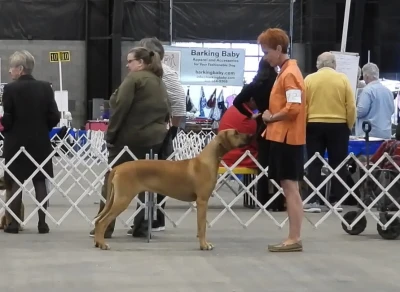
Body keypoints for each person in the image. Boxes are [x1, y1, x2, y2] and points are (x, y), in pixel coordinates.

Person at [89, 47, 170, 239]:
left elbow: (120, 108)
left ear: (140, 63)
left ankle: (104, 226)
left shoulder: (134, 79)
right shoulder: (159, 82)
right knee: (147, 184)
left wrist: (111, 135)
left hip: (129, 140)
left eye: (130, 61)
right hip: (155, 140)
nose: (127, 65)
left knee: (112, 180)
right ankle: (142, 226)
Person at [124, 37, 186, 236]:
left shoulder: (165, 74)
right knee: (151, 176)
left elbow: (179, 103)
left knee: (157, 176)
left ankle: (154, 219)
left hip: (160, 132)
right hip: (153, 130)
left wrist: (172, 131)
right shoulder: (146, 75)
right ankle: (146, 219)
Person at [2, 50, 60, 234]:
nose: (9, 71)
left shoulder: (10, 89)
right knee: (40, 181)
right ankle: (42, 222)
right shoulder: (45, 87)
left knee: (15, 182)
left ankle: (13, 224)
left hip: (16, 142)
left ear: (20, 69)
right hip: (40, 141)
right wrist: (44, 128)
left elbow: (8, 119)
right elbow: (54, 116)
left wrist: (8, 127)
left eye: (11, 68)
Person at [258, 28, 305, 252]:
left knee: (290, 188)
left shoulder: (289, 74)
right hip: (284, 137)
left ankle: (294, 238)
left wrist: (271, 117)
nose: (265, 57)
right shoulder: (285, 71)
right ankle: (293, 236)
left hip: (287, 139)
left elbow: (294, 108)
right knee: (289, 187)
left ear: (279, 49)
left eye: (266, 51)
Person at [303, 52, 356, 213]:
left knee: (314, 163)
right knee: (338, 163)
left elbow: (303, 105)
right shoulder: (343, 79)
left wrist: (305, 124)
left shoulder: (309, 79)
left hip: (314, 124)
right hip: (339, 125)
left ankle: (313, 200)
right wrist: (349, 124)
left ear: (318, 65)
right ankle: (336, 200)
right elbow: (351, 106)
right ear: (334, 64)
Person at [233, 60, 285, 210]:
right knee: (277, 165)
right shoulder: (278, 82)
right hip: (279, 124)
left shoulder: (254, 85)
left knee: (263, 165)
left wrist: (251, 115)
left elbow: (237, 101)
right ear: (273, 66)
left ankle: (262, 200)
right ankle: (278, 202)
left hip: (262, 125)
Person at [356, 63, 394, 139]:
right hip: (386, 135)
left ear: (366, 76)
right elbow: (392, 111)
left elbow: (360, 111)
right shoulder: (388, 91)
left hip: (370, 135)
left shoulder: (367, 91)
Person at [219, 97, 258, 167]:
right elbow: (257, 143)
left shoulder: (232, 109)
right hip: (238, 159)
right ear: (252, 100)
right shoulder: (248, 116)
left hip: (224, 157)